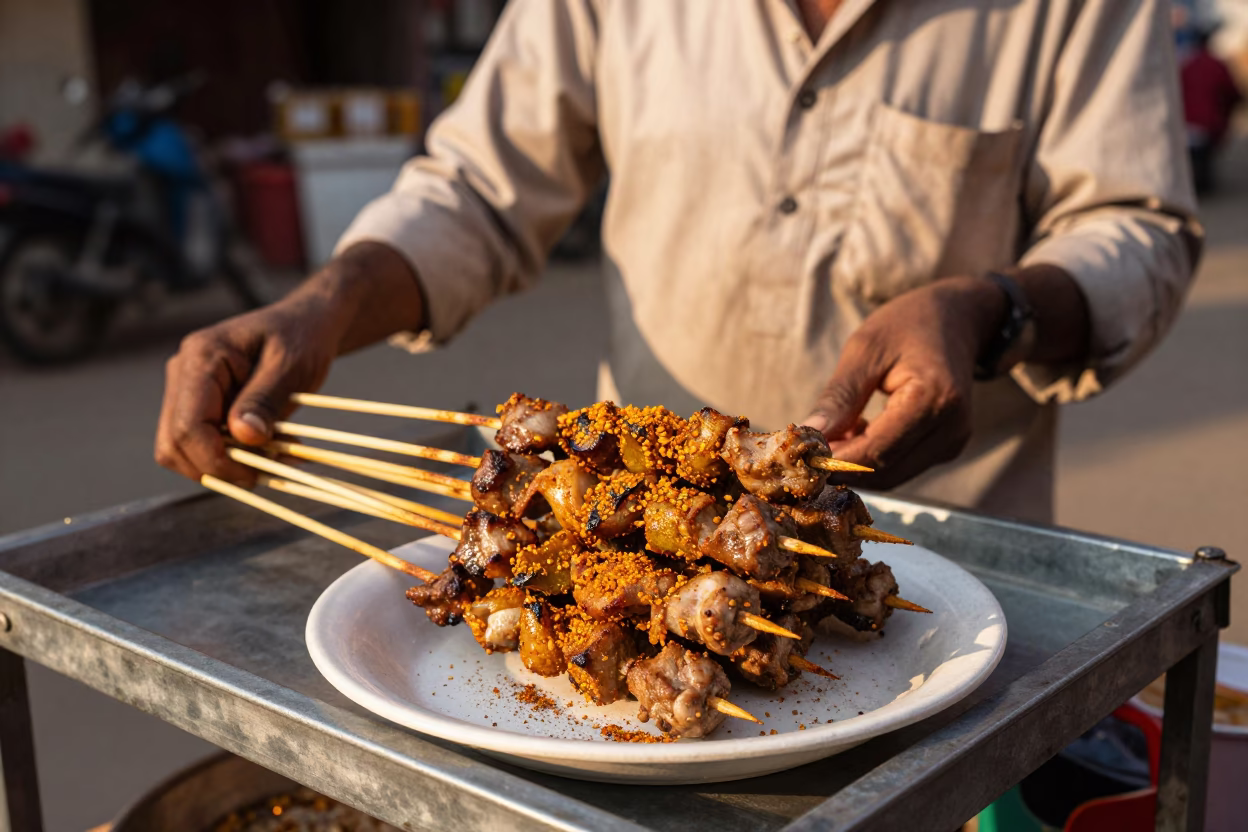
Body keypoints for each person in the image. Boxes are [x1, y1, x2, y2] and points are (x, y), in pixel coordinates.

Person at [156, 0, 1200, 525]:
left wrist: (995, 307)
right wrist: (323, 304)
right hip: (639, 537)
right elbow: (480, 185)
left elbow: (1138, 226)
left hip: (953, 561)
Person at [1181, 26, 1243, 194]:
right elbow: (1231, 91)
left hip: (1186, 122)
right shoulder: (1216, 65)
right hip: (1207, 122)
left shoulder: (1186, 64)